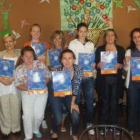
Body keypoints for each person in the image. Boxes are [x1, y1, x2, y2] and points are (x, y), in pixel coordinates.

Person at [14, 46, 51, 140]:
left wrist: (42, 84)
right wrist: (28, 88)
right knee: (27, 115)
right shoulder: (19, 69)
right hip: (27, 93)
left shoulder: (40, 64)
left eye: (31, 56)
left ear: (33, 56)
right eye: (26, 56)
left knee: (39, 115)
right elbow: (17, 84)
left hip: (41, 92)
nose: (29, 59)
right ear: (22, 57)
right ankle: (28, 135)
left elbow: (48, 76)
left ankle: (35, 129)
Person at [48, 49, 83, 140]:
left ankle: (74, 133)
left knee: (75, 115)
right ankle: (55, 130)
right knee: (58, 118)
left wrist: (72, 103)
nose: (67, 61)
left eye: (70, 58)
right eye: (64, 58)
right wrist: (59, 92)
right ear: (61, 60)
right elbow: (52, 87)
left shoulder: (79, 70)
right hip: (55, 94)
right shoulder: (57, 71)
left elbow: (76, 87)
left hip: (71, 94)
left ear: (74, 59)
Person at [95, 29, 125, 135]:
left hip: (116, 79)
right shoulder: (99, 49)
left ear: (115, 37)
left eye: (112, 35)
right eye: (108, 35)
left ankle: (114, 125)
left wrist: (120, 65)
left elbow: (124, 65)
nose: (110, 37)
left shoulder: (121, 50)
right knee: (104, 102)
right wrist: (98, 65)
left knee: (114, 102)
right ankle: (103, 126)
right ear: (105, 38)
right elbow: (95, 63)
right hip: (104, 79)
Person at [69, 22, 95, 135]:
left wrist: (93, 64)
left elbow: (92, 59)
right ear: (77, 32)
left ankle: (90, 123)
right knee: (76, 101)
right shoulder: (72, 44)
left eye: (85, 31)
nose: (83, 33)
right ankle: (74, 124)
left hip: (89, 78)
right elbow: (70, 60)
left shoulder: (91, 44)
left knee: (89, 101)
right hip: (77, 77)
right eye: (81, 31)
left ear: (87, 32)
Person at [24, 23, 50, 128]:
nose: (36, 33)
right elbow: (25, 59)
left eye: (38, 31)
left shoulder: (46, 44)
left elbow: (49, 59)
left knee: (42, 98)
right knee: (32, 98)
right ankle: (33, 121)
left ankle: (42, 118)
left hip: (42, 74)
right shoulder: (26, 45)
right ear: (30, 32)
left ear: (40, 32)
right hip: (30, 74)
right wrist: (38, 58)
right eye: (34, 31)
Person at [0, 34, 21, 139]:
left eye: (10, 41)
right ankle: (5, 129)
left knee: (16, 107)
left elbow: (23, 69)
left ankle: (16, 128)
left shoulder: (20, 54)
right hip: (3, 85)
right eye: (6, 42)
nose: (8, 44)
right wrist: (1, 80)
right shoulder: (1, 54)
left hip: (15, 85)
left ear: (14, 42)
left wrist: (13, 78)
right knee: (4, 108)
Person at [47, 30, 68, 132]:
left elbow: (70, 65)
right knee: (55, 104)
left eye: (59, 38)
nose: (57, 40)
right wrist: (50, 68)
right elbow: (46, 66)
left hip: (64, 80)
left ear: (62, 39)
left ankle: (62, 123)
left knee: (64, 104)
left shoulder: (66, 50)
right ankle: (56, 122)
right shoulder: (49, 51)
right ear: (52, 39)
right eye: (55, 38)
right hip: (52, 80)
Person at [124, 28, 140, 136]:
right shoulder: (129, 51)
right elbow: (125, 70)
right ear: (132, 39)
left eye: (139, 37)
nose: (137, 39)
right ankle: (131, 128)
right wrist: (125, 62)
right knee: (132, 106)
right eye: (134, 37)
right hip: (133, 83)